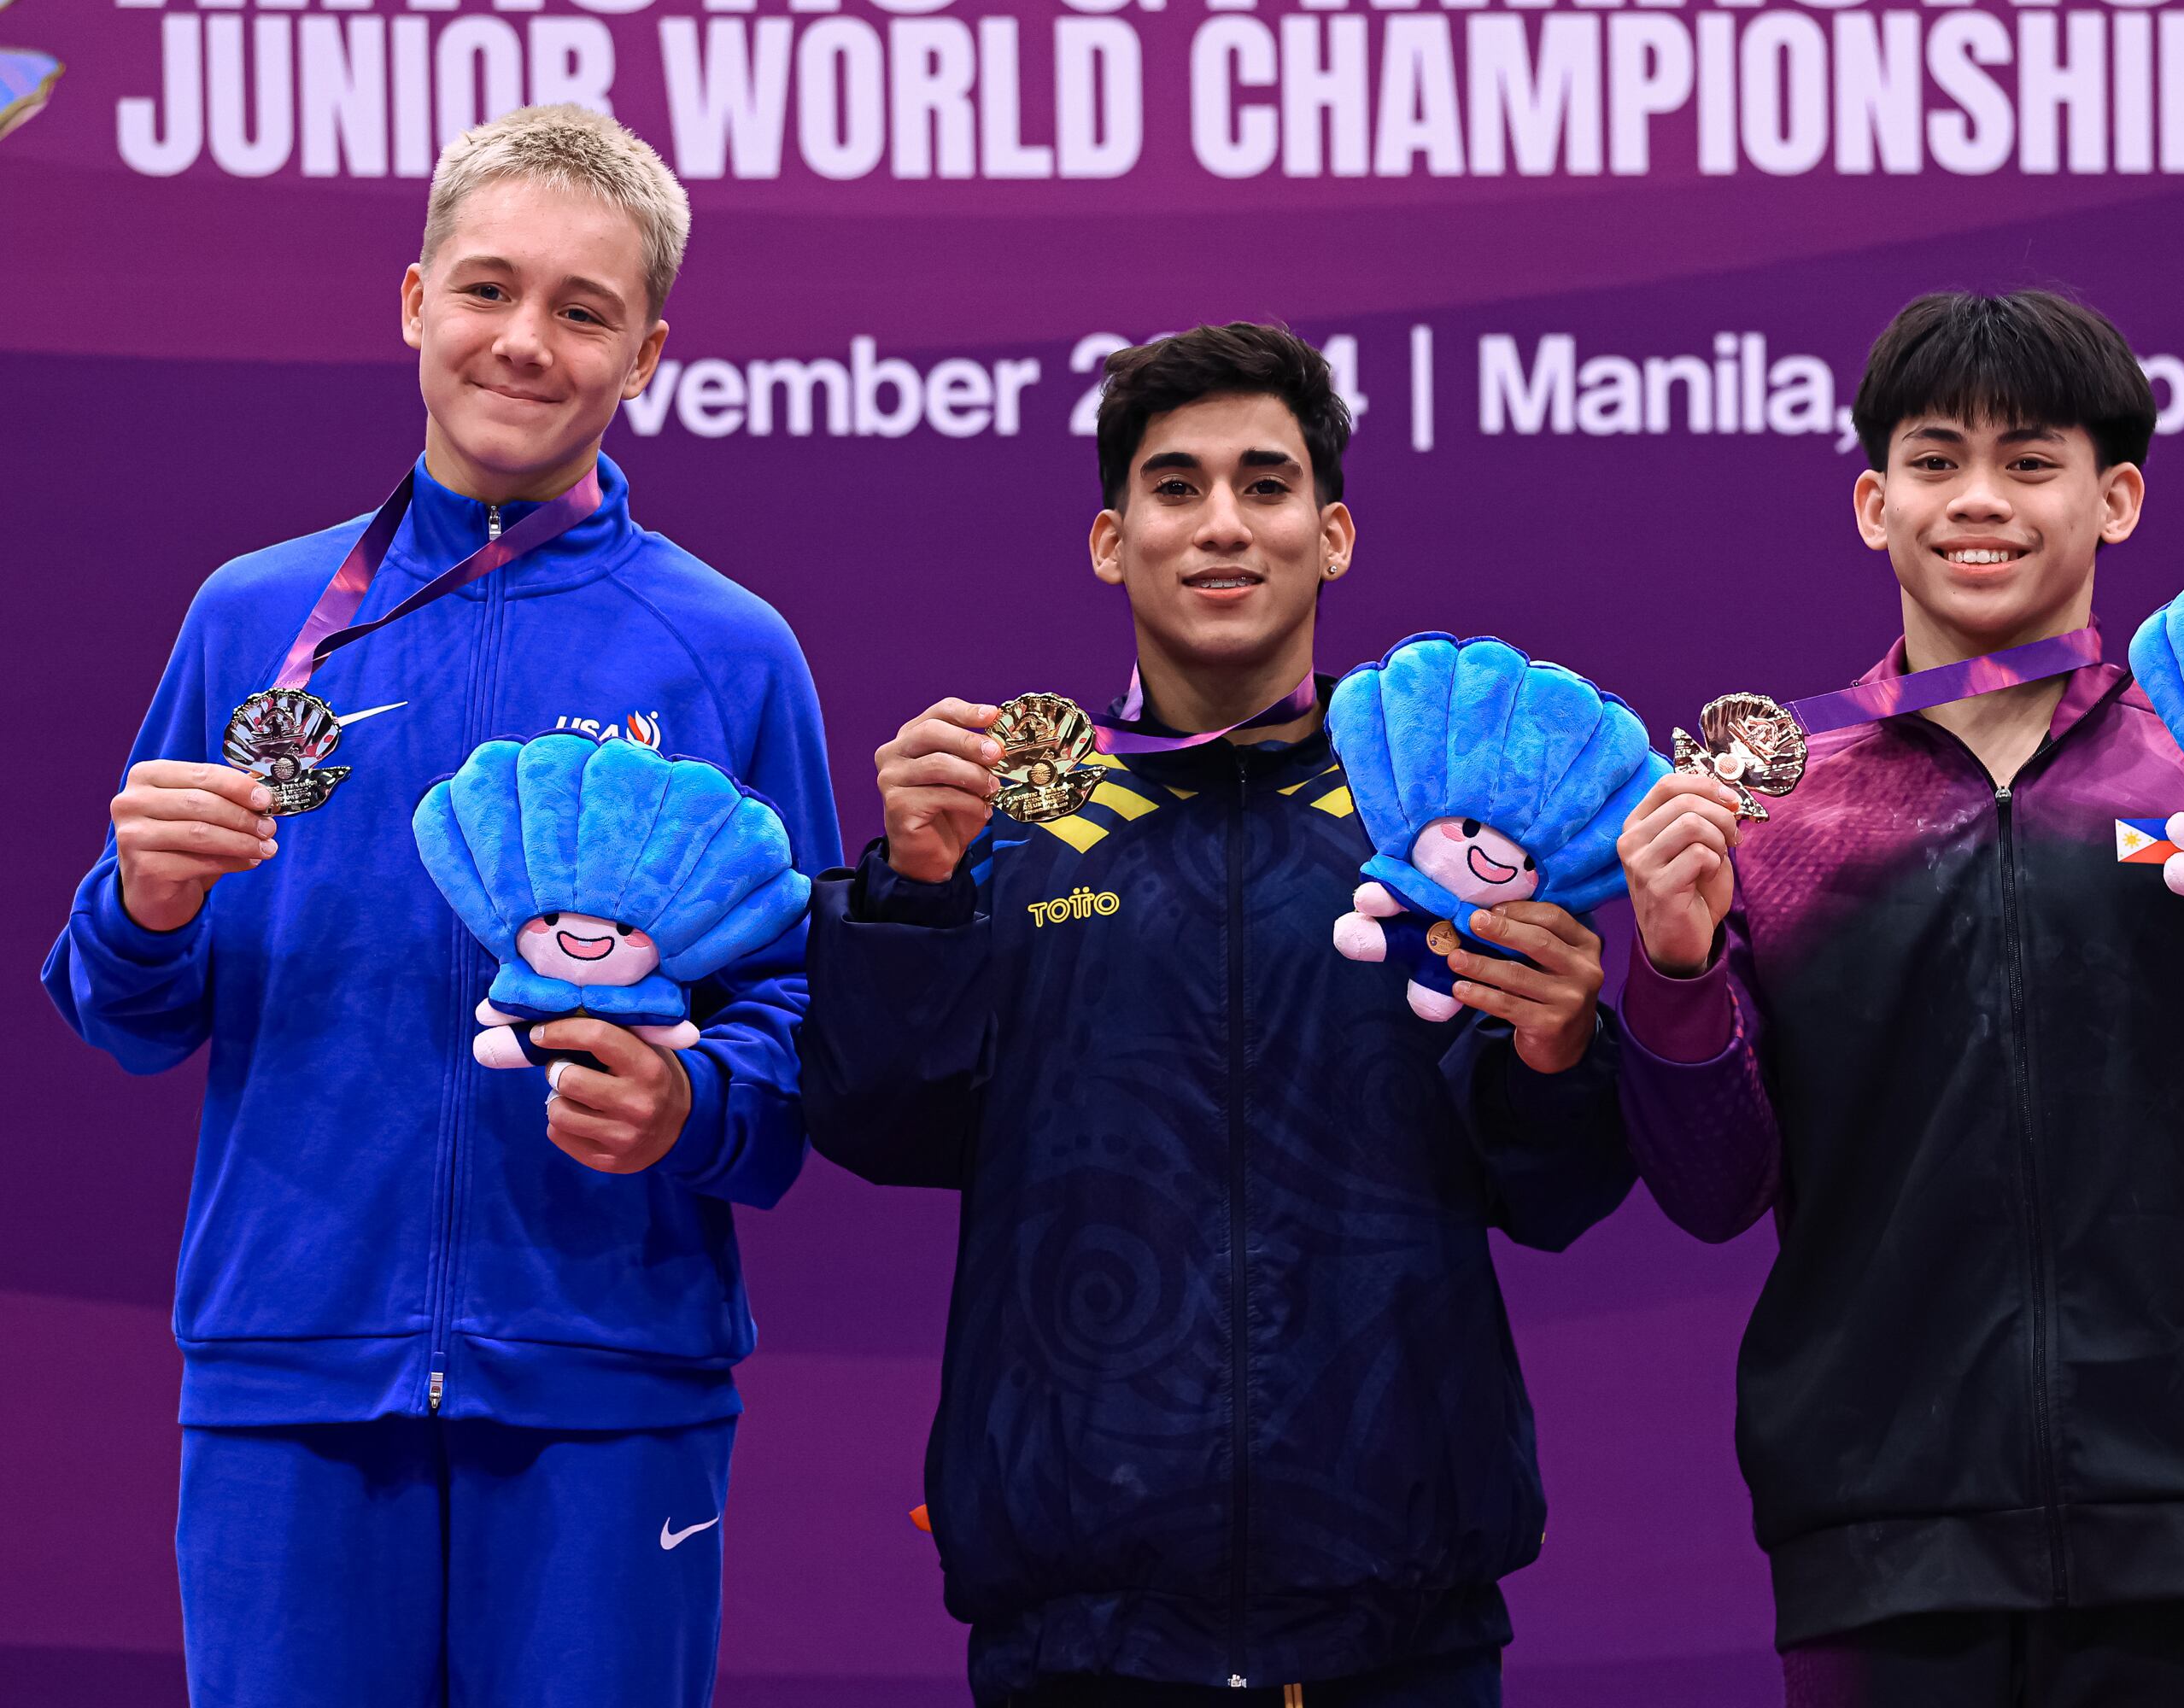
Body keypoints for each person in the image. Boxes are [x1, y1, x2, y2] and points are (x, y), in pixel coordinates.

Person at [43, 105, 839, 1707]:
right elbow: (124, 1009)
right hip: (292, 1374)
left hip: (610, 1381)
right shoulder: (256, 621)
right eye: (487, 290)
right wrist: (140, 901)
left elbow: (808, 1028)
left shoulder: (730, 650)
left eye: (583, 310)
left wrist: (694, 1104)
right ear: (413, 302)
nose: (525, 342)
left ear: (650, 353)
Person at [1612, 290, 2184, 1705]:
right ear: (1873, 503)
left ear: (2116, 498)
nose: (1980, 501)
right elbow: (1710, 1188)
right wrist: (1679, 970)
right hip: (1870, 1537)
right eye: (1937, 462)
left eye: (2031, 460)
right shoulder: (1770, 816)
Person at [800, 322, 1637, 1706]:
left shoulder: (1435, 832)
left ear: (1336, 532)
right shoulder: (1007, 829)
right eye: (1176, 487)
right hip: (1083, 1633)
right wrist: (916, 895)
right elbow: (881, 1120)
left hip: (1402, 1622)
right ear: (1110, 541)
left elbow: (1553, 1190)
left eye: (1267, 483)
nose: (1223, 526)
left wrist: (1562, 1050)